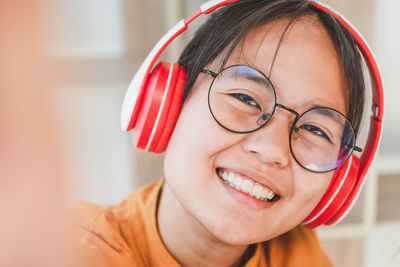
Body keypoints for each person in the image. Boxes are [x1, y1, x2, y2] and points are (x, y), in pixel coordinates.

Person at [70, 0, 383, 266]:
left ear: (339, 185)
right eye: (244, 99)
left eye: (315, 129)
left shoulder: (299, 254)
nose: (272, 149)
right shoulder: (70, 250)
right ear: (169, 103)